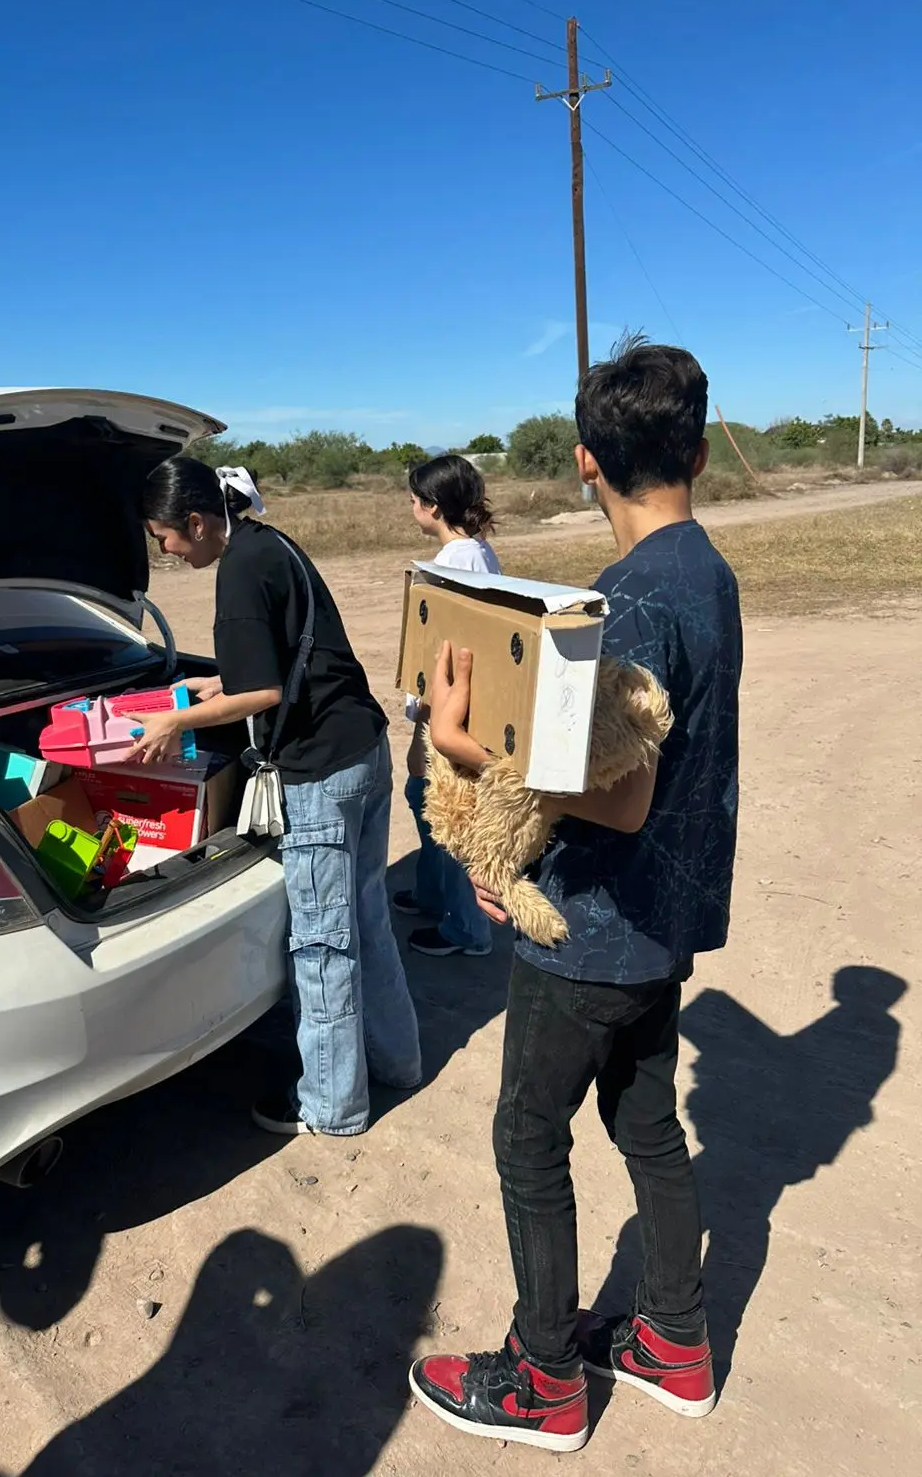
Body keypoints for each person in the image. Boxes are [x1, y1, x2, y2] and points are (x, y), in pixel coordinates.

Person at [409, 338, 742, 1451]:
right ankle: (672, 1339)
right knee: (649, 1125)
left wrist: (461, 743)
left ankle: (546, 1375)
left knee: (526, 1136)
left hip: (593, 933)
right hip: (665, 927)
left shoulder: (629, 599)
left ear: (586, 463)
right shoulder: (708, 571)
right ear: (696, 449)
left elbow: (622, 798)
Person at [139, 456, 422, 1138]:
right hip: (361, 747)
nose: (166, 553)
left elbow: (264, 694)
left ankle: (330, 1105)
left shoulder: (235, 573)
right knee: (367, 920)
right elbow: (286, 658)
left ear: (198, 522)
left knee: (321, 945)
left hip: (320, 772)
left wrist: (174, 721)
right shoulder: (270, 543)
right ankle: (396, 1062)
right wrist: (213, 688)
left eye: (164, 538)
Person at [397, 455, 500, 959]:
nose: (411, 508)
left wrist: (423, 709)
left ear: (432, 507)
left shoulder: (460, 562)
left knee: (447, 809)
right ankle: (434, 893)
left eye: (414, 500)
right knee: (422, 792)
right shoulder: (471, 554)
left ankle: (467, 927)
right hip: (444, 706)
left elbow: (449, 644)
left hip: (449, 709)